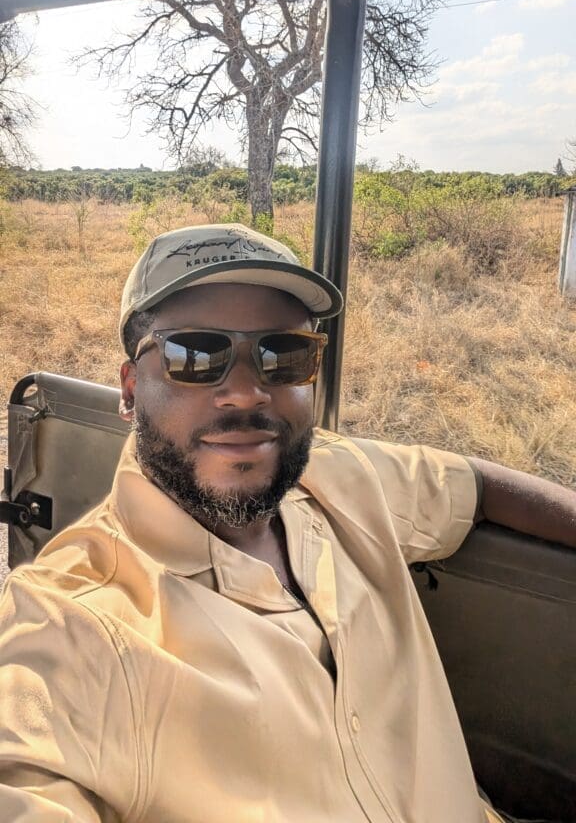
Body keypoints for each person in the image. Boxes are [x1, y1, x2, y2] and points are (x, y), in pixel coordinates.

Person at [0, 222, 574, 823]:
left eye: (284, 354)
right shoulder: (67, 624)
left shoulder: (338, 474)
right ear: (128, 390)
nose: (246, 392)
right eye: (194, 356)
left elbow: (478, 486)